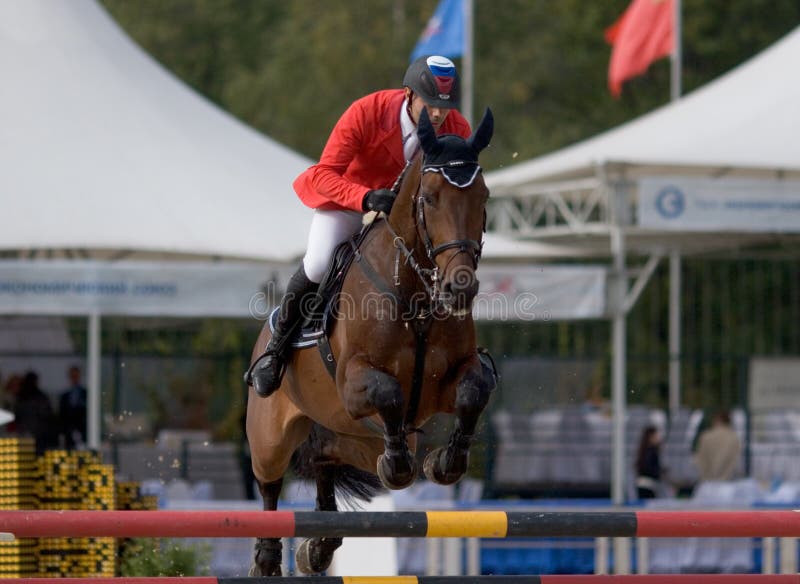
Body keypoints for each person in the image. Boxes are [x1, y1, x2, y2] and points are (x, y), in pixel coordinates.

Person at [246, 55, 472, 398]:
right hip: (351, 202)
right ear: (409, 94)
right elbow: (323, 174)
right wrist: (365, 198)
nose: (439, 115)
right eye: (431, 105)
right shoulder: (367, 112)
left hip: (409, 219)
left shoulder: (458, 128)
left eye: (445, 106)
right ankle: (276, 351)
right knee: (319, 262)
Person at [12, 371, 57, 454]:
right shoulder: (40, 397)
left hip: (26, 435)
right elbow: (48, 415)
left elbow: (16, 416)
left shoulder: (21, 397)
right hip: (38, 435)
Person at [693, 409, 741, 482]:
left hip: (707, 481)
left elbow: (700, 459)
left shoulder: (705, 436)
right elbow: (736, 460)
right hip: (727, 481)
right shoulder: (734, 437)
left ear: (716, 420)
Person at [58, 365, 87, 450]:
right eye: (72, 376)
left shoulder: (86, 394)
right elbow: (62, 415)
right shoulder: (65, 396)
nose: (74, 378)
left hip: (83, 431)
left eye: (76, 376)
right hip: (69, 433)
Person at [634, 425, 663, 499]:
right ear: (651, 437)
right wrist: (660, 472)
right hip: (648, 485)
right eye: (656, 436)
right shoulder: (651, 451)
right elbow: (649, 468)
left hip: (642, 484)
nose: (658, 438)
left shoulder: (643, 451)